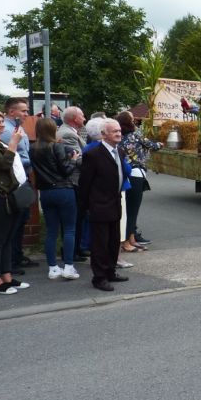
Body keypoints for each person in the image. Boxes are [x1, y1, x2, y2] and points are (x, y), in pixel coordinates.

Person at [78, 118, 130, 291]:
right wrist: (85, 206)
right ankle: (99, 278)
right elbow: (85, 183)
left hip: (115, 203)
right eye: (114, 131)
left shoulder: (119, 152)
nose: (118, 134)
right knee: (100, 244)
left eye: (119, 131)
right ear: (103, 134)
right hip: (99, 206)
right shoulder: (93, 155)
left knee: (114, 242)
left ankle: (110, 271)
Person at [30, 118, 81, 280]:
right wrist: (73, 160)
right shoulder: (56, 146)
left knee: (51, 231)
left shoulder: (33, 148)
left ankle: (52, 268)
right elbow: (66, 170)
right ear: (53, 130)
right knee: (69, 229)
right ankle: (68, 266)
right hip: (63, 190)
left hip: (45, 192)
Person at [0, 109, 30, 294]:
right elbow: (3, 165)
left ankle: (6, 275)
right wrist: (14, 144)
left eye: (1, 121)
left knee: (7, 238)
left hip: (9, 196)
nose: (1, 124)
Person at [0, 98, 38, 273]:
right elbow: (12, 156)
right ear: (11, 111)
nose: (26, 114)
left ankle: (17, 255)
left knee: (22, 219)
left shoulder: (18, 127)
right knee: (14, 222)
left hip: (22, 180)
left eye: (27, 110)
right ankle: (11, 261)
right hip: (14, 182)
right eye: (23, 111)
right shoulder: (7, 131)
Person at [116, 111, 162, 253]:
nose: (134, 119)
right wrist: (161, 143)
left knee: (127, 209)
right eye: (132, 118)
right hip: (136, 173)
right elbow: (152, 145)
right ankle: (127, 242)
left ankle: (131, 239)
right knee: (132, 210)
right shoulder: (135, 136)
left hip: (124, 174)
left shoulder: (119, 137)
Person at [58, 106, 90, 263]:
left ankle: (77, 249)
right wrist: (95, 158)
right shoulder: (67, 134)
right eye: (82, 115)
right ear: (74, 118)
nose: (84, 118)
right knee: (75, 219)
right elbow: (77, 159)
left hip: (76, 181)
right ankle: (71, 252)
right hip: (74, 181)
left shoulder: (71, 131)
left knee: (79, 217)